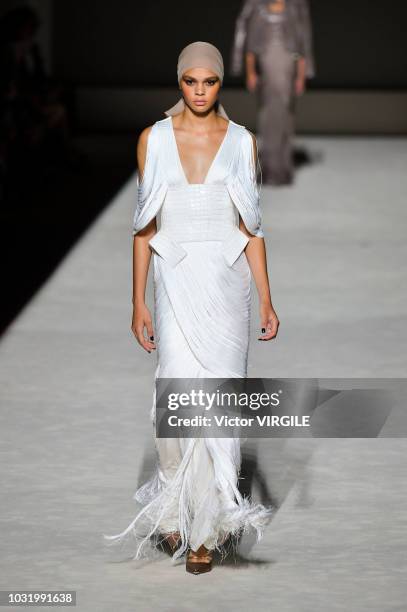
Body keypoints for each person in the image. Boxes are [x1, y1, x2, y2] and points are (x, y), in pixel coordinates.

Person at [103, 41, 279, 575]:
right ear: (178, 82)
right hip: (174, 275)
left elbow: (251, 227)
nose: (200, 92)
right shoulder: (153, 140)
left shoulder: (242, 142)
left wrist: (267, 297)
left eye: (209, 82)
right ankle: (177, 508)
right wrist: (137, 301)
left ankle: (205, 529)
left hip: (228, 284)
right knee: (175, 390)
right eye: (190, 82)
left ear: (221, 84)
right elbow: (143, 227)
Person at [230, 0, 315, 185]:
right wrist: (251, 72)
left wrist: (301, 76)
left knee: (286, 114)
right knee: (269, 115)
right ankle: (269, 168)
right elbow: (251, 46)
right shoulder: (260, 12)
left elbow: (301, 44)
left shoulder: (293, 10)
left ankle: (283, 169)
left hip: (287, 67)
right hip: (268, 64)